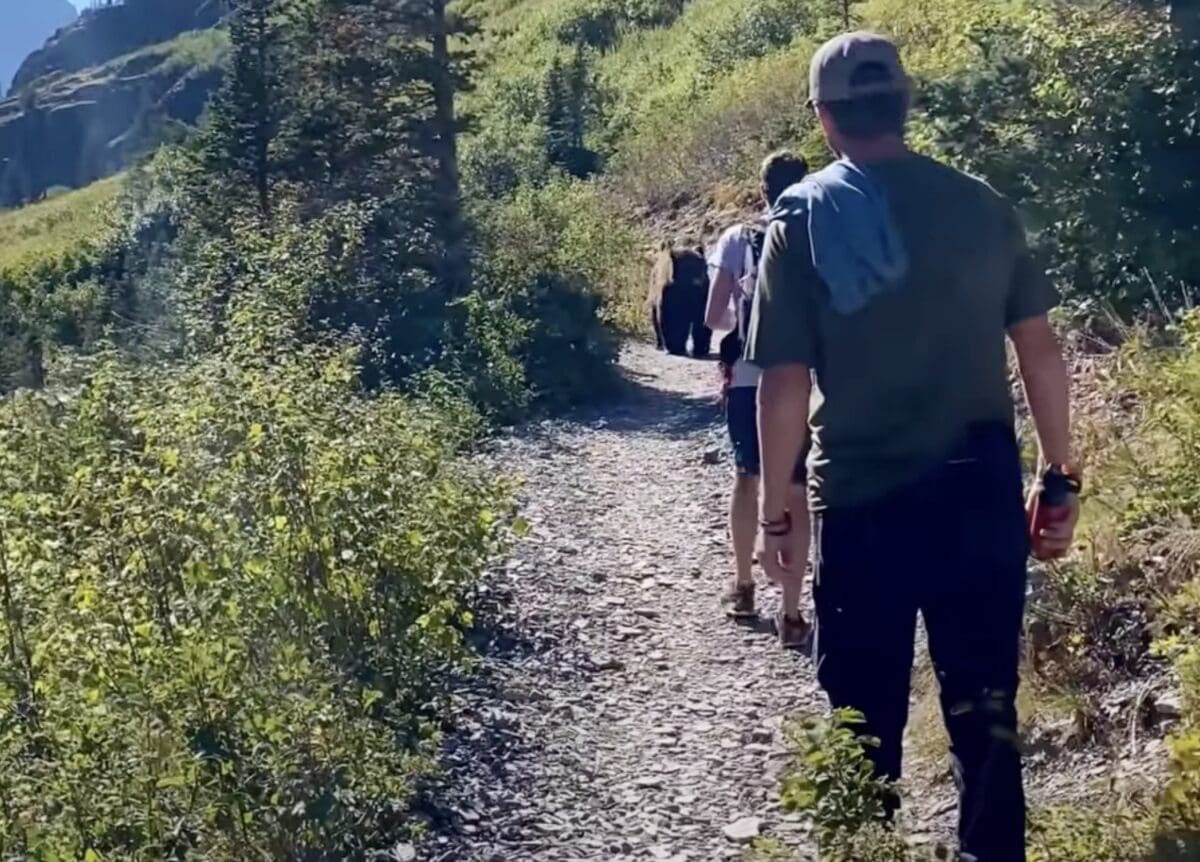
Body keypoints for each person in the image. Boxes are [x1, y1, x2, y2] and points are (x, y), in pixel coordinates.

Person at [747, 32, 1078, 862]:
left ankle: (865, 848)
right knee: (985, 705)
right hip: (978, 490)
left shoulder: (801, 222)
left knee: (861, 711)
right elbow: (1040, 350)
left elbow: (784, 383)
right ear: (906, 104)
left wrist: (778, 518)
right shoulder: (983, 205)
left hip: (864, 499)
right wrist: (1059, 476)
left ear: (824, 118)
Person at [703, 150, 810, 648]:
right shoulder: (818, 235)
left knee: (747, 478)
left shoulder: (737, 239)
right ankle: (792, 611)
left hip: (747, 379)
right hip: (805, 380)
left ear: (762, 189)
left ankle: (744, 586)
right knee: (793, 487)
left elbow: (713, 317)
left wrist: (740, 328)